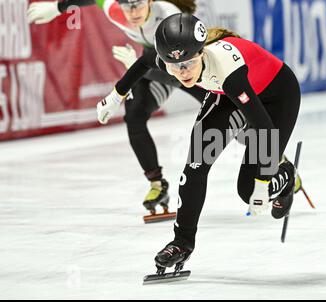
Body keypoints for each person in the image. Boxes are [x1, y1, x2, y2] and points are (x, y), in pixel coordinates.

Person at [99, 13, 302, 271]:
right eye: (175, 67)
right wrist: (115, 97)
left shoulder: (228, 69)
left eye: (189, 64)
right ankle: (182, 242)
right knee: (195, 165)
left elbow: (264, 127)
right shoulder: (173, 56)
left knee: (248, 191)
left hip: (277, 95)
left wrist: (263, 184)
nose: (182, 73)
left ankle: (284, 176)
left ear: (202, 53)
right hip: (226, 95)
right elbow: (143, 64)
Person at [27, 0, 206, 213]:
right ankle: (157, 184)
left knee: (228, 111)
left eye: (137, 4)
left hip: (186, 66)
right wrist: (58, 7)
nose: (132, 12)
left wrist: (140, 68)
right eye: (126, 5)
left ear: (150, 1)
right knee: (134, 117)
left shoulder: (168, 17)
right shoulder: (113, 9)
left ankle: (254, 155)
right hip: (151, 62)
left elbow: (180, 74)